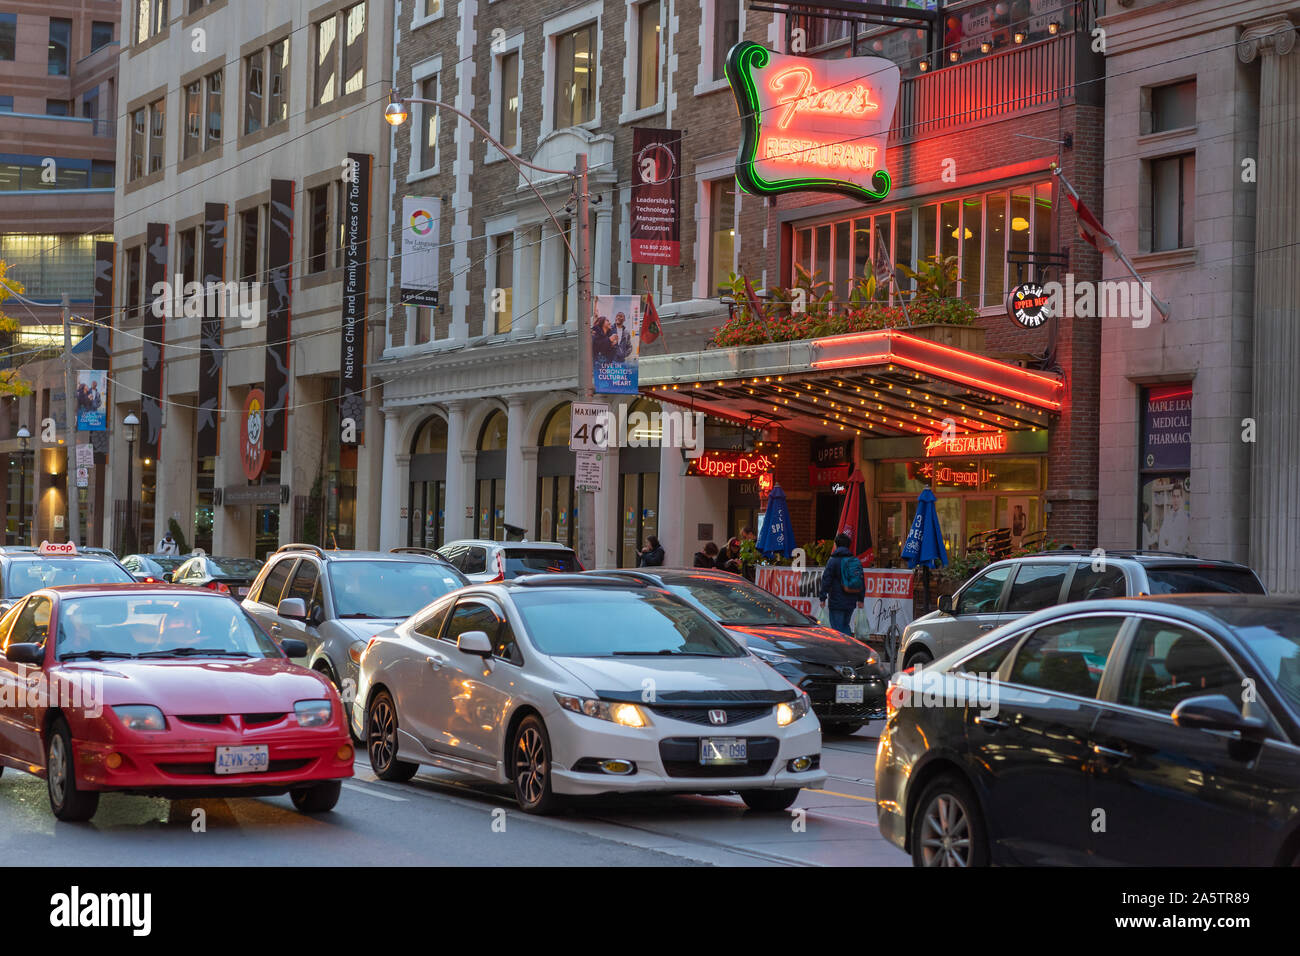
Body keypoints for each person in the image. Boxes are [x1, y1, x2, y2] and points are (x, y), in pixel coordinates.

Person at [820, 532, 861, 636]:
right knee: (845, 626)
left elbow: (826, 580)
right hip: (851, 600)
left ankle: (845, 650)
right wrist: (861, 598)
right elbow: (860, 580)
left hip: (836, 601)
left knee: (837, 629)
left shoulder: (833, 561)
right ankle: (848, 647)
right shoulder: (854, 560)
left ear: (837, 545)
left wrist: (822, 597)